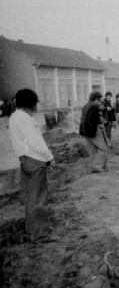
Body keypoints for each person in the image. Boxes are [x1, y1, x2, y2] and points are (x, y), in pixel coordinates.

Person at [9, 89, 57, 243]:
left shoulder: (15, 117)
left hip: (25, 160)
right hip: (35, 160)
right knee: (39, 199)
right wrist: (49, 157)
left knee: (32, 198)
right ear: (31, 103)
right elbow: (35, 142)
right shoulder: (25, 119)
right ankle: (40, 234)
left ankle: (32, 229)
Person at [80, 92, 109, 172]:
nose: (100, 102)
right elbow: (92, 120)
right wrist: (100, 121)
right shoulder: (94, 108)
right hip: (93, 132)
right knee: (103, 148)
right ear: (96, 99)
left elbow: (85, 119)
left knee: (93, 150)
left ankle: (93, 167)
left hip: (85, 132)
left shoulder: (85, 106)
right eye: (99, 100)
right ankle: (96, 166)